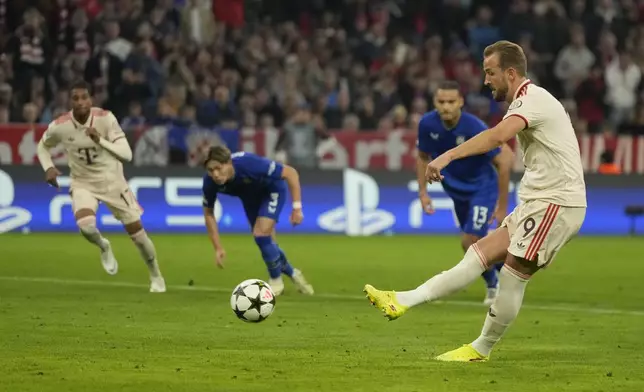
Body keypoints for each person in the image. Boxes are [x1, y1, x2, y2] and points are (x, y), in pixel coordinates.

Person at [364, 40, 587, 362]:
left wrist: (447, 156)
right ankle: (402, 299)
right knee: (476, 253)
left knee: (513, 274)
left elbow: (498, 138)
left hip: (557, 203)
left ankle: (481, 348)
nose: (486, 81)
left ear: (510, 74)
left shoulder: (533, 99)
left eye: (490, 73)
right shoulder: (525, 101)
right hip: (540, 202)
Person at [36, 80, 166, 293]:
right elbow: (43, 146)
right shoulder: (60, 126)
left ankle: (156, 275)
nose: (80, 102)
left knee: (139, 236)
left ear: (91, 99)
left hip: (112, 182)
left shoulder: (106, 119)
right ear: (70, 101)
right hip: (82, 183)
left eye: (84, 97)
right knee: (86, 227)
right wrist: (48, 167)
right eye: (75, 98)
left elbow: (127, 155)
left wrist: (100, 141)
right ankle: (104, 245)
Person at [417, 80, 513, 305]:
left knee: (469, 240)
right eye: (441, 101)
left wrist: (501, 207)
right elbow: (422, 157)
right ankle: (505, 266)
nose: (446, 106)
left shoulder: (474, 127)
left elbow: (504, 162)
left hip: (482, 188)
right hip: (456, 192)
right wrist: (423, 192)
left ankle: (493, 283)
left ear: (460, 102)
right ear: (435, 102)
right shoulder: (427, 124)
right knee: (475, 242)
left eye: (451, 101)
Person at [201, 145, 314, 296]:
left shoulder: (249, 164)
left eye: (218, 168)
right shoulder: (210, 183)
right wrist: (218, 247)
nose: (215, 174)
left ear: (229, 163)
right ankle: (293, 273)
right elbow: (209, 213)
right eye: (210, 170)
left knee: (260, 234)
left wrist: (297, 208)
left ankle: (275, 281)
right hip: (250, 199)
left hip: (272, 190)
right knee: (266, 242)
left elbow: (291, 173)